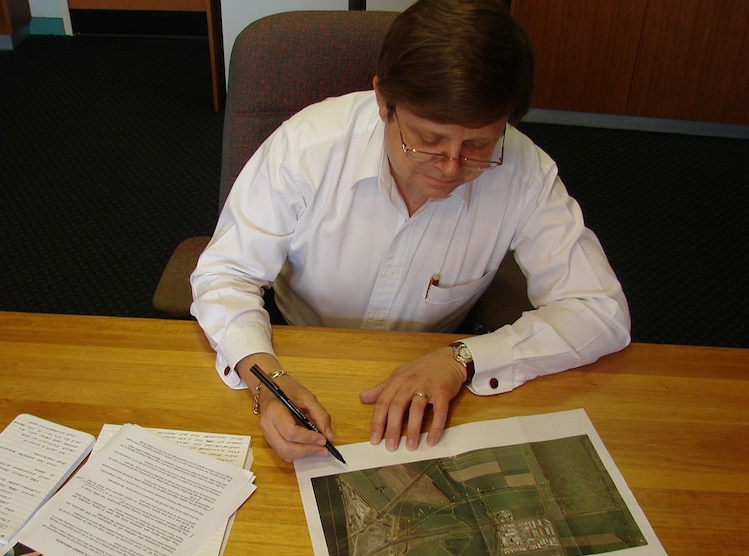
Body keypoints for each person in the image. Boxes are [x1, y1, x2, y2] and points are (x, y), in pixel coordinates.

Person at [190, 0, 630, 462]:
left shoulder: (524, 173)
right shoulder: (308, 148)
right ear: (383, 102)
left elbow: (600, 310)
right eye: (428, 139)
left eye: (479, 144)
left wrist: (462, 358)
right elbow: (225, 275)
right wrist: (267, 380)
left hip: (435, 363)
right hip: (294, 348)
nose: (452, 166)